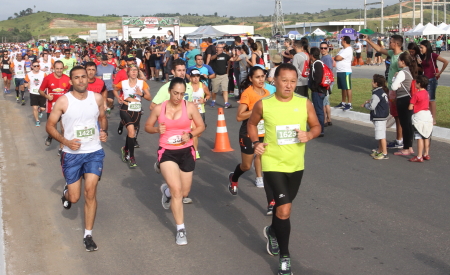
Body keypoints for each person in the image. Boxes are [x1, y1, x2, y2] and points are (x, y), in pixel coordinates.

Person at [247, 63, 321, 275]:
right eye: (284, 81)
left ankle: (272, 230)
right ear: (275, 81)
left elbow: (316, 126)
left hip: (296, 165)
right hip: (272, 163)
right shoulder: (264, 104)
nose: (289, 86)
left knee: (281, 210)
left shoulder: (304, 103)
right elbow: (252, 125)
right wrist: (255, 143)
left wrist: (310, 134)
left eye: (293, 81)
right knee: (285, 209)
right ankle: (285, 258)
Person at [46, 65, 108, 252]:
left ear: (88, 78)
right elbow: (49, 126)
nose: (81, 80)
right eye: (77, 77)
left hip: (94, 152)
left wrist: (104, 131)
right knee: (74, 197)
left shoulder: (97, 98)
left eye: (83, 76)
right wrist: (65, 141)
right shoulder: (64, 101)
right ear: (70, 81)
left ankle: (88, 235)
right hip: (72, 155)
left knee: (90, 191)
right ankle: (67, 192)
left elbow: (102, 118)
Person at [145, 77, 205, 245]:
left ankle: (166, 192)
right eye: (175, 93)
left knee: (184, 192)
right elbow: (147, 126)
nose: (178, 97)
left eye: (182, 94)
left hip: (186, 151)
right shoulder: (159, 108)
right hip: (167, 152)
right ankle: (181, 229)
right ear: (169, 91)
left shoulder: (190, 107)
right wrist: (156, 128)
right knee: (177, 191)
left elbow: (201, 126)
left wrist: (191, 135)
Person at [228, 65, 270, 194]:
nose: (261, 79)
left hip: (263, 132)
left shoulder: (267, 93)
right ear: (251, 79)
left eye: (262, 76)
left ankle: (260, 179)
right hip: (248, 133)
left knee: (263, 158)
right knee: (246, 166)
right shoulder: (248, 93)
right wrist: (256, 111)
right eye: (257, 77)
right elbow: (239, 116)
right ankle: (233, 178)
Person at [364, 34, 405, 149]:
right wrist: (368, 40)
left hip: (398, 91)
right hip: (392, 90)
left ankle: (399, 141)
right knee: (396, 117)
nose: (389, 43)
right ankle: (399, 140)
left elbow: (404, 75)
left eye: (391, 41)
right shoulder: (392, 54)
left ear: (396, 44)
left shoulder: (402, 57)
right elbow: (379, 49)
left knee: (398, 117)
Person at [113, 65, 151, 167]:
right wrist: (118, 97)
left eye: (136, 70)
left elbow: (149, 97)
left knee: (132, 134)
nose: (134, 72)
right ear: (128, 73)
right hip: (125, 108)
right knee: (131, 131)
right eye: (132, 70)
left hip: (137, 110)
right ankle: (132, 157)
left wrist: (141, 94)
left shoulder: (142, 83)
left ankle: (125, 149)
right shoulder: (123, 83)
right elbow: (114, 89)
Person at [39, 61, 71, 155]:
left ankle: (62, 148)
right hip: (51, 107)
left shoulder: (67, 79)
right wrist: (46, 96)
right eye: (57, 68)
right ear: (53, 68)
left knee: (64, 129)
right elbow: (40, 90)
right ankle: (50, 136)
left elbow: (71, 92)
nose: (59, 70)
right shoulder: (48, 78)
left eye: (61, 68)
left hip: (64, 108)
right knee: (52, 127)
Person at [391, 52, 417, 157]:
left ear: (403, 61)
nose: (397, 62)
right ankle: (409, 146)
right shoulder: (409, 71)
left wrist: (394, 78)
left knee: (405, 125)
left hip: (403, 99)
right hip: (408, 99)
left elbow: (394, 87)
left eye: (399, 60)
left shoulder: (402, 72)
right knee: (408, 124)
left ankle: (406, 148)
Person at [419, 40, 448, 125]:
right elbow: (424, 69)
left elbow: (446, 61)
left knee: (431, 100)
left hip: (431, 80)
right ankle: (428, 116)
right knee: (426, 99)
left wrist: (440, 72)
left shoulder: (432, 55)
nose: (420, 49)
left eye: (422, 47)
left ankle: (433, 119)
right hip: (425, 80)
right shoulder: (423, 56)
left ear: (427, 47)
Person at [363, 74, 390, 160]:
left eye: (372, 81)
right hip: (383, 115)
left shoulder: (376, 94)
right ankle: (379, 150)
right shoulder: (382, 91)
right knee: (380, 134)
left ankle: (385, 153)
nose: (371, 82)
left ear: (376, 83)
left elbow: (372, 107)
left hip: (379, 117)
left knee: (381, 135)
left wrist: (365, 105)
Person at [409, 75, 433, 162]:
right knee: (426, 136)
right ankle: (426, 154)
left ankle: (419, 156)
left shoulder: (416, 95)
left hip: (419, 117)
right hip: (427, 115)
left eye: (416, 82)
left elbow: (410, 107)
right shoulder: (427, 93)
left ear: (419, 84)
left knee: (419, 137)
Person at [190, 69, 211, 159]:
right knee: (193, 133)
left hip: (200, 112)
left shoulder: (203, 86)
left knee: (198, 134)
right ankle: (195, 151)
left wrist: (204, 100)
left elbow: (208, 94)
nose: (195, 78)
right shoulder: (187, 86)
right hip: (190, 113)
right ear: (190, 77)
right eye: (193, 77)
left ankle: (193, 148)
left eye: (197, 76)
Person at [309, 47, 327, 137]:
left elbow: (318, 78)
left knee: (319, 111)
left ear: (312, 55)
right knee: (319, 110)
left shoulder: (317, 64)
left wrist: (313, 87)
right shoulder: (320, 63)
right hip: (321, 90)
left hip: (318, 90)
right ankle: (320, 128)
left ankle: (320, 130)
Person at [25, 60, 47, 126]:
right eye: (35, 66)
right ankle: (37, 120)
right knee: (35, 108)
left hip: (42, 93)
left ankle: (40, 111)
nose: (36, 67)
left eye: (38, 66)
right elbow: (25, 82)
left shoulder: (43, 74)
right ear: (32, 67)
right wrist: (26, 85)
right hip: (33, 93)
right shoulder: (29, 74)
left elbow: (47, 82)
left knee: (43, 108)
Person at [334, 36, 353, 111]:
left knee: (348, 87)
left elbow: (338, 58)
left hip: (345, 71)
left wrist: (337, 58)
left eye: (342, 40)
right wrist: (337, 57)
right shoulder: (343, 50)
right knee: (343, 87)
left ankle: (349, 103)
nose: (341, 41)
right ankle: (343, 102)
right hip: (340, 71)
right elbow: (337, 56)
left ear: (345, 41)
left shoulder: (348, 49)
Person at [210, 44, 232, 108]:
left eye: (221, 47)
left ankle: (226, 103)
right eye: (219, 47)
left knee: (225, 90)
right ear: (216, 48)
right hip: (216, 75)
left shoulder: (225, 56)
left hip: (224, 75)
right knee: (214, 90)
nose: (220, 48)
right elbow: (211, 58)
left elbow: (232, 60)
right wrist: (217, 55)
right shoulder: (214, 55)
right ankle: (213, 101)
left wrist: (235, 54)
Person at [320, 42, 334, 127]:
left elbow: (328, 71)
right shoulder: (323, 57)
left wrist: (326, 83)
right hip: (327, 82)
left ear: (328, 48)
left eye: (325, 48)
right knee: (326, 102)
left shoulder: (327, 58)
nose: (323, 50)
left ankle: (325, 119)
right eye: (321, 48)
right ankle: (328, 119)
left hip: (326, 82)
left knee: (324, 102)